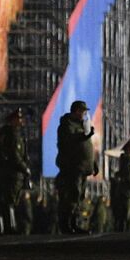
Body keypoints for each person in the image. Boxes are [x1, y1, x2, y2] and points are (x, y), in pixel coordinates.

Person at [55, 100, 97, 234]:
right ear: (75, 111)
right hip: (72, 167)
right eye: (81, 111)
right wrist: (85, 135)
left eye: (84, 112)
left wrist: (93, 163)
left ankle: (74, 224)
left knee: (79, 197)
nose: (83, 114)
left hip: (83, 167)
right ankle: (67, 225)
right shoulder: (66, 125)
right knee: (72, 196)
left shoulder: (82, 125)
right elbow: (71, 140)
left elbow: (87, 147)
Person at [0, 109, 31, 235]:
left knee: (4, 202)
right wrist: (24, 168)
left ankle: (2, 228)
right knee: (9, 201)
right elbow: (15, 155)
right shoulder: (12, 135)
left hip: (8, 172)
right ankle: (10, 227)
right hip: (11, 173)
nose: (21, 121)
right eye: (19, 119)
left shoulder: (8, 134)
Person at [112, 141, 130, 233]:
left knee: (124, 215)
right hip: (127, 192)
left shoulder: (125, 160)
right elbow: (129, 177)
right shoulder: (128, 161)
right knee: (126, 215)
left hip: (125, 192)